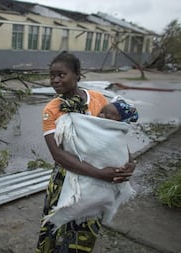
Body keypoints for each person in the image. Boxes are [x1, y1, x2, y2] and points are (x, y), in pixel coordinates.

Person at [36, 52, 136, 253]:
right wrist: (99, 173)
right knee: (56, 227)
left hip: (97, 183)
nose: (55, 80)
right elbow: (58, 154)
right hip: (66, 178)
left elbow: (115, 135)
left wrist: (129, 162)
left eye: (61, 74)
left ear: (77, 74)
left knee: (83, 232)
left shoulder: (98, 99)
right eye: (52, 75)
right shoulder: (52, 109)